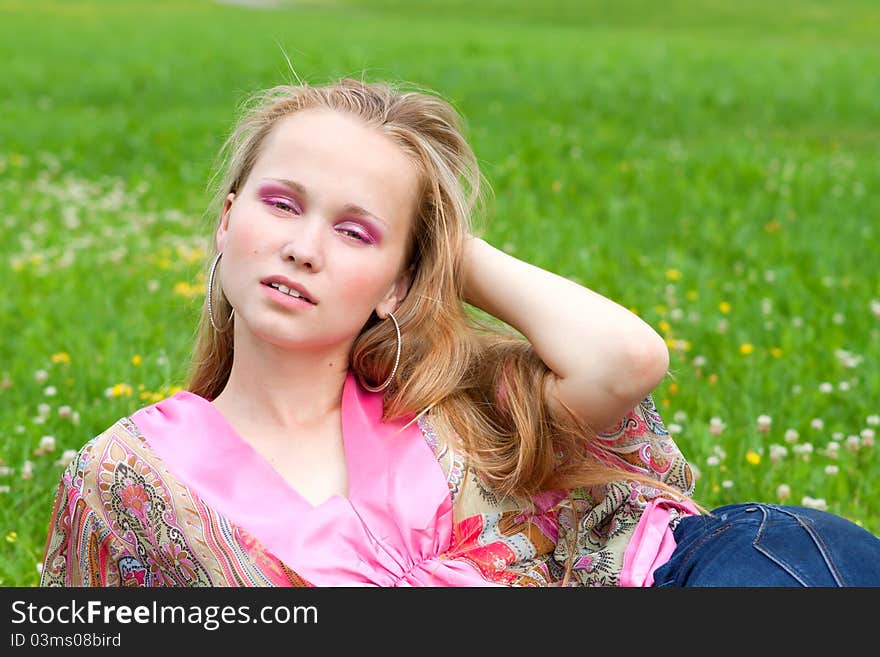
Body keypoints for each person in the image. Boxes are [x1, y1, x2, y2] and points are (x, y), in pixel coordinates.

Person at [39, 77, 880, 587]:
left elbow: (626, 359)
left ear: (400, 280)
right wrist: (377, 228)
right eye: (282, 203)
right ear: (227, 219)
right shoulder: (131, 477)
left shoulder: (450, 394)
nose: (301, 247)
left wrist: (433, 237)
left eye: (354, 232)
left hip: (724, 572)